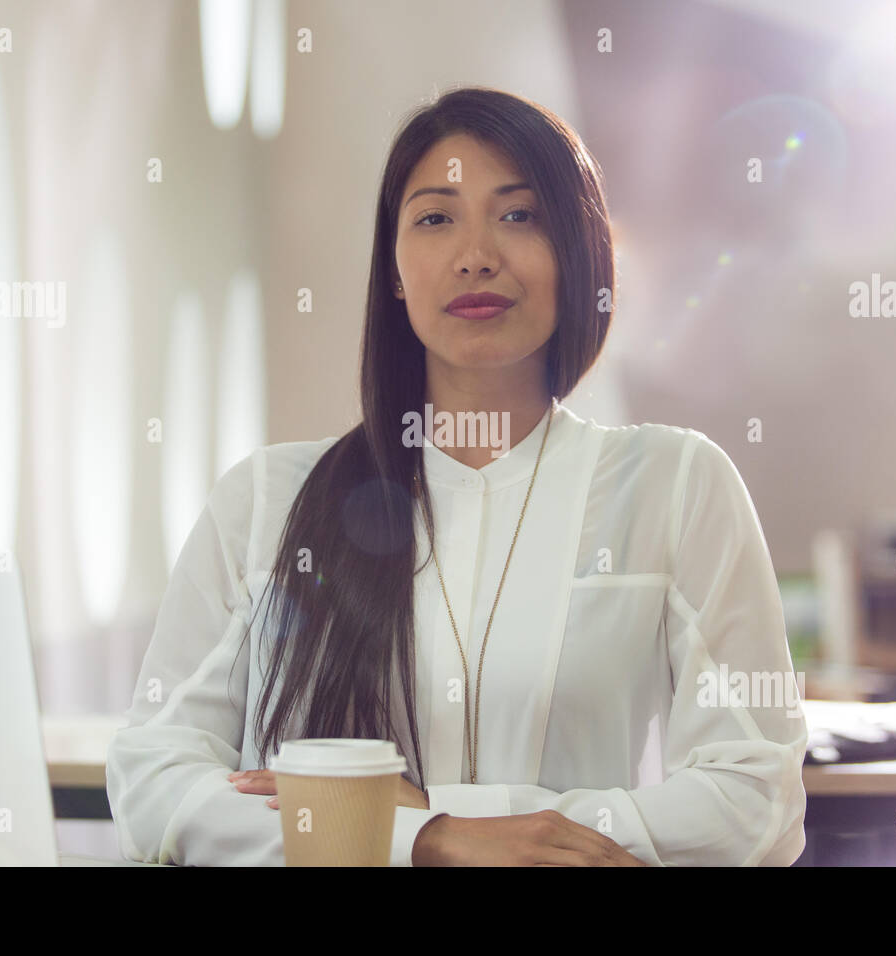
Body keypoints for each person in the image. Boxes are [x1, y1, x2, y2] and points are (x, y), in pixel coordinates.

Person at [106, 85, 807, 866]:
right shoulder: (268, 500)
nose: (476, 254)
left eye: (519, 215)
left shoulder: (677, 485)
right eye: (436, 217)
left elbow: (758, 798)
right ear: (397, 271)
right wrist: (430, 839)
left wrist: (448, 817)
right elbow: (153, 780)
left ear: (578, 255)